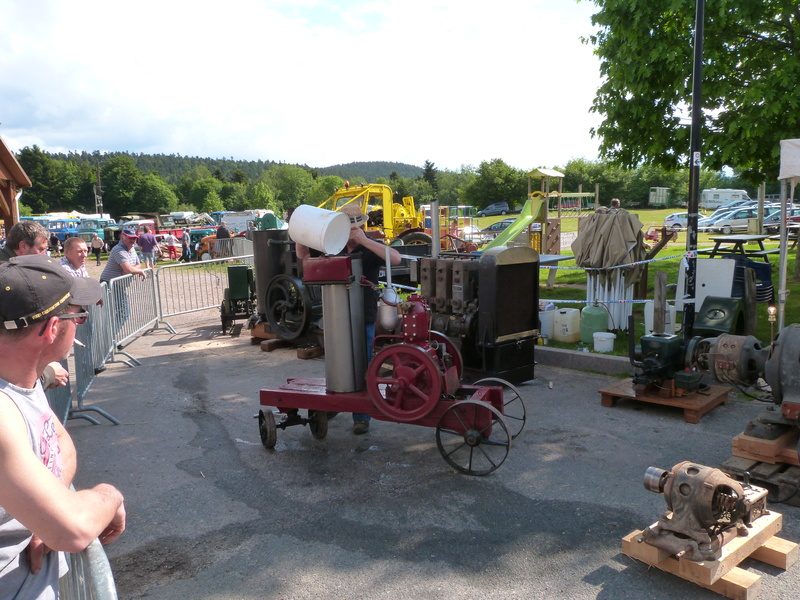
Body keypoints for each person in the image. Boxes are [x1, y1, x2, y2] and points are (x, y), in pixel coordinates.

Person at [0, 254, 126, 598]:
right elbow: (72, 530)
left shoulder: (21, 379)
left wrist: (44, 509)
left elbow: (58, 439)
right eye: (78, 314)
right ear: (53, 328)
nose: (81, 322)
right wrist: (108, 497)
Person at [296, 203, 401, 435]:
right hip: (336, 318)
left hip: (365, 317)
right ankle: (336, 402)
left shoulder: (370, 249)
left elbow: (395, 259)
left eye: (356, 225)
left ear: (362, 225)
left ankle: (361, 417)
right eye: (348, 226)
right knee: (335, 361)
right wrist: (302, 231)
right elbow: (302, 254)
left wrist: (364, 241)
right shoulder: (332, 245)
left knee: (363, 364)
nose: (352, 231)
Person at [0, 222, 68, 390]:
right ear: (23, 246)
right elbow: (11, 338)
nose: (45, 256)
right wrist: (45, 373)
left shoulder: (13, 271)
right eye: (41, 249)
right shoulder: (7, 278)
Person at [100, 230, 147, 338]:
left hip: (118, 285)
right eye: (130, 238)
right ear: (122, 238)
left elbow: (138, 264)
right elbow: (128, 269)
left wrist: (133, 269)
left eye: (134, 238)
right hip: (110, 284)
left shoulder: (131, 249)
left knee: (118, 313)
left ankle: (110, 339)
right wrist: (137, 271)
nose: (133, 240)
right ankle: (109, 340)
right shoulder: (118, 249)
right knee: (122, 312)